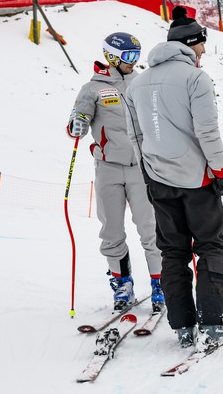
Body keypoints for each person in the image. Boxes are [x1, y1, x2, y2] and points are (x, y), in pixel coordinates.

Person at [124, 6, 223, 351]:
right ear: (191, 43)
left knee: (172, 252)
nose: (203, 51)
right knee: (210, 246)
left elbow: (136, 135)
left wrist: (146, 170)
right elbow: (207, 131)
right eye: (201, 44)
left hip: (158, 178)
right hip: (197, 180)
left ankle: (183, 326)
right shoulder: (195, 78)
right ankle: (213, 323)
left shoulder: (137, 83)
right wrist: (221, 171)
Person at [67, 32, 163, 312]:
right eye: (128, 56)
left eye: (137, 55)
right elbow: (78, 116)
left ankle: (160, 283)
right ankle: (123, 283)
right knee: (111, 231)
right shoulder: (92, 88)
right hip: (108, 168)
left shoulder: (142, 83)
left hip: (140, 168)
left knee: (150, 228)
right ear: (112, 56)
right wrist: (78, 124)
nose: (134, 62)